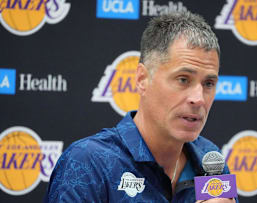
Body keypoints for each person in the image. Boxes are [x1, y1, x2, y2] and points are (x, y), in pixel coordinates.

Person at [45, 11, 237, 203]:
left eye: (209, 83)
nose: (199, 98)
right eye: (183, 79)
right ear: (142, 79)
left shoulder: (210, 160)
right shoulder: (88, 163)